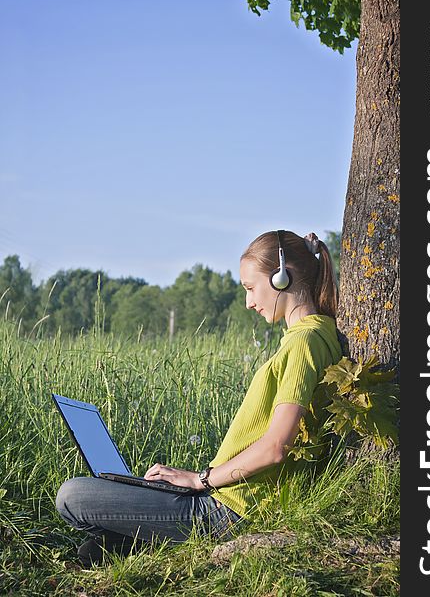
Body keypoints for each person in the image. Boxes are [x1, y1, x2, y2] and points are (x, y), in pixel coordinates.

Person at [55, 229, 343, 567]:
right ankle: (132, 542)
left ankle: (138, 540)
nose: (249, 302)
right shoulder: (315, 336)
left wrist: (200, 479)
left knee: (71, 495)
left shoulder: (304, 342)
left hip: (232, 511)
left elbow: (276, 446)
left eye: (251, 288)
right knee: (99, 530)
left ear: (281, 278)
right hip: (228, 499)